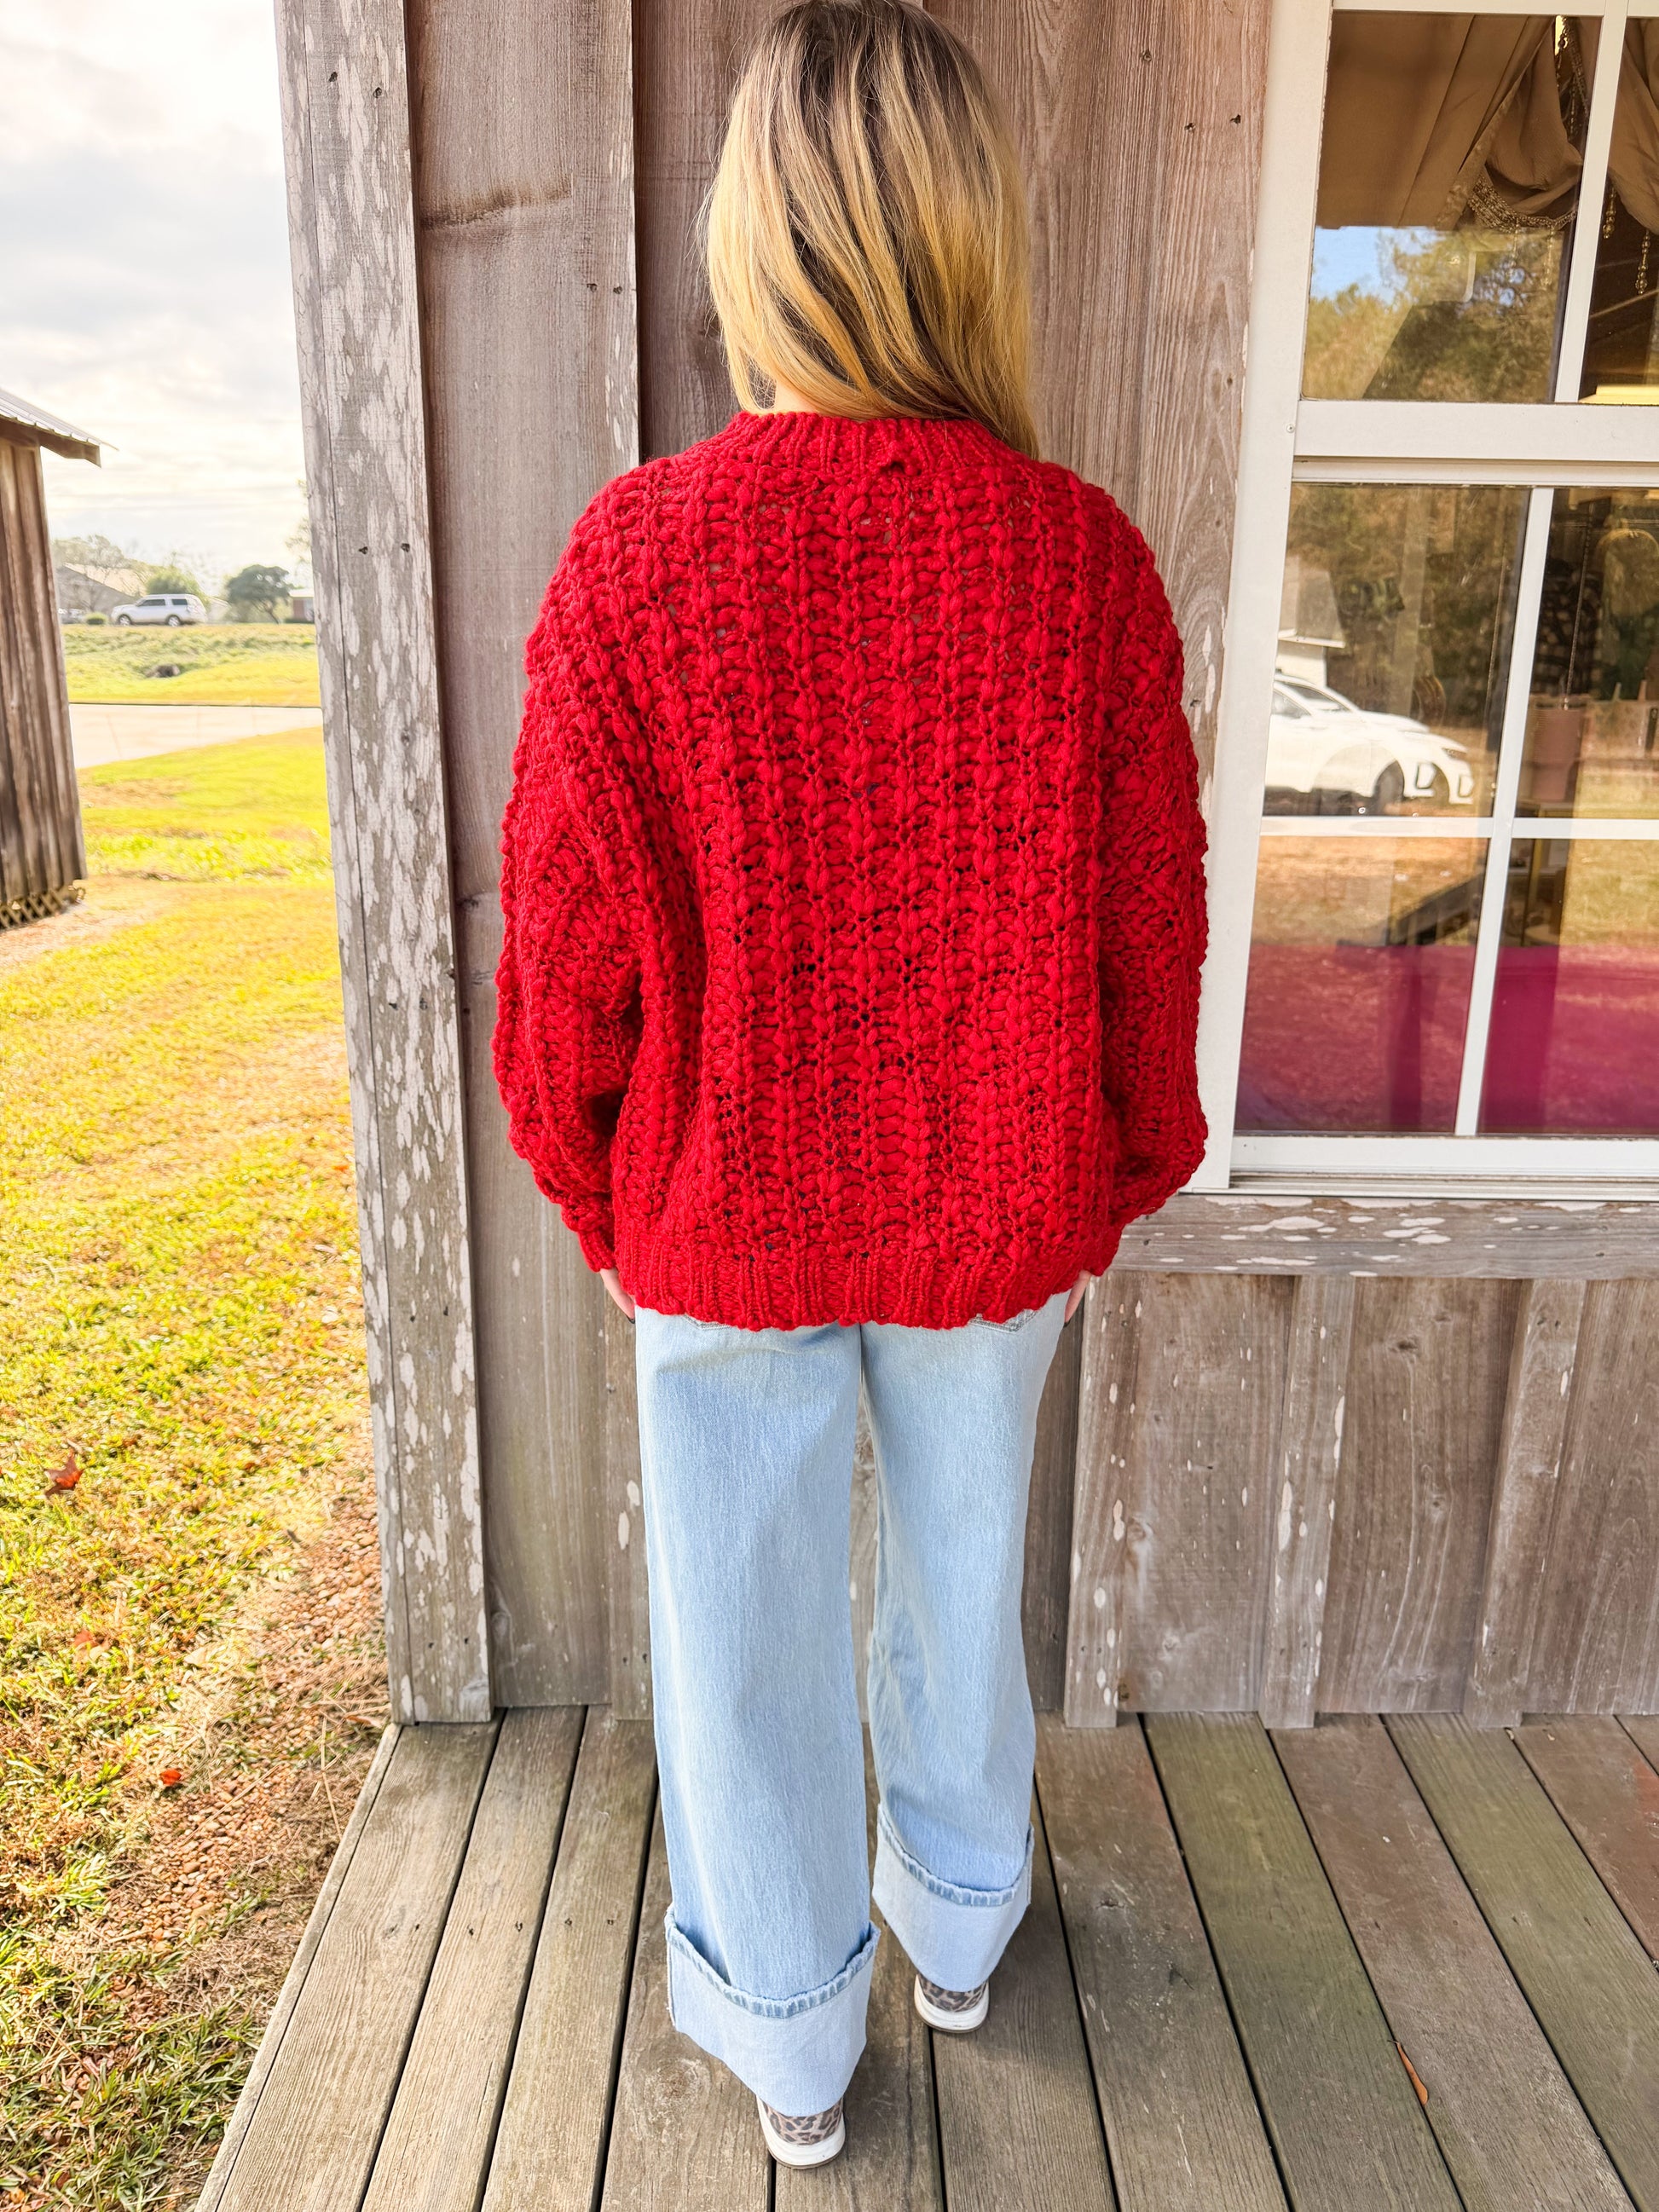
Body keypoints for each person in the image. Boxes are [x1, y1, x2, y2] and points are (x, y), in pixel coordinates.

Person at [491, 0, 1208, 2169]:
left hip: (721, 1207)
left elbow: (564, 971)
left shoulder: (636, 562)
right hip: (991, 1202)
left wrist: (614, 1186)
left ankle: (796, 2040)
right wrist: (1120, 1147)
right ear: (966, 244)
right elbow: (1144, 939)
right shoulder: (1076, 564)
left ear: (754, 243)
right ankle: (963, 1922)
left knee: (736, 1628)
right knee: (963, 1573)